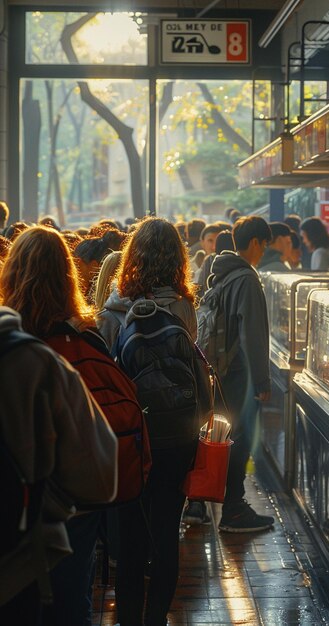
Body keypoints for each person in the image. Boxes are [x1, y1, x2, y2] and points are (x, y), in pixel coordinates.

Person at [0, 226, 120, 626]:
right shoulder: (72, 350)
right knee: (70, 607)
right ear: (68, 277)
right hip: (60, 520)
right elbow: (101, 476)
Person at [97, 217, 198, 626]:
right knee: (166, 529)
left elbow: (104, 371)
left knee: (131, 536)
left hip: (129, 436)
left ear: (132, 256)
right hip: (177, 434)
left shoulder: (113, 308)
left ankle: (128, 621)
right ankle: (157, 619)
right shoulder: (184, 306)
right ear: (178, 258)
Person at [192, 216, 275, 532]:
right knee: (239, 438)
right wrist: (263, 380)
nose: (263, 251)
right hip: (237, 372)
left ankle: (201, 501)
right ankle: (234, 508)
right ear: (255, 243)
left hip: (217, 369)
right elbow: (253, 333)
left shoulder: (219, 273)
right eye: (264, 245)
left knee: (216, 434)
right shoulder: (247, 279)